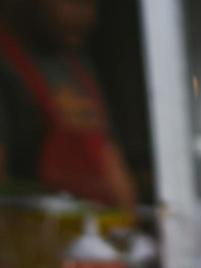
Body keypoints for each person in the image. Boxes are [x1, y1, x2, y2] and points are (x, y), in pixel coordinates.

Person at [0, 0, 136, 209]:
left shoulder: (77, 65)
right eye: (74, 3)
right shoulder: (7, 64)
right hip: (32, 231)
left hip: (95, 230)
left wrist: (127, 224)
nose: (88, 17)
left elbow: (111, 161)